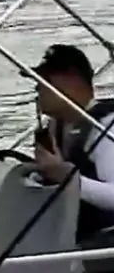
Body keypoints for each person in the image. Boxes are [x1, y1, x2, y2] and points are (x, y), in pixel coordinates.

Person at [29, 44, 114, 246]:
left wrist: (68, 179)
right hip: (68, 238)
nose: (37, 89)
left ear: (72, 80)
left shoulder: (106, 125)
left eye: (44, 81)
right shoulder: (55, 126)